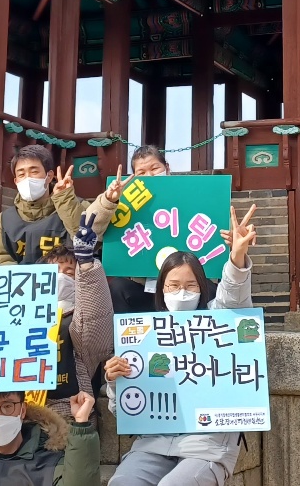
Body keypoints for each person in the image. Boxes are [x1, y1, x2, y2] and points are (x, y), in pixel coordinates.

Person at [103, 205, 259, 486]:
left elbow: (233, 297)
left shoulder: (218, 319)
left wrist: (237, 256)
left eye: (191, 285)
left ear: (203, 288)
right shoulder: (143, 335)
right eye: (173, 285)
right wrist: (115, 380)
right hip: (153, 442)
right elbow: (122, 409)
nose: (182, 292)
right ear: (160, 289)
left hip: (208, 444)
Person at [0, 145, 119, 266]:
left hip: (69, 281)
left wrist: (65, 201)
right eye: (21, 174)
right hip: (22, 283)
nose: (27, 178)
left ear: (49, 176)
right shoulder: (4, 219)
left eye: (34, 172)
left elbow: (88, 240)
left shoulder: (77, 205)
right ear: (16, 181)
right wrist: (27, 278)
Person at [39, 214, 114, 423]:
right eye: (54, 271)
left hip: (72, 411)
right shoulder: (24, 318)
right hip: (24, 411)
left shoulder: (78, 318)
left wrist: (86, 263)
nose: (61, 277)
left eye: (69, 271)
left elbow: (94, 321)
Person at [109, 146, 171, 313]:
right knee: (118, 287)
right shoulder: (125, 203)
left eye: (155, 168)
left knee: (210, 288)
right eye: (141, 172)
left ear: (167, 168)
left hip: (184, 288)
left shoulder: (189, 196)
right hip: (143, 286)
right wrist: (109, 201)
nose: (149, 176)